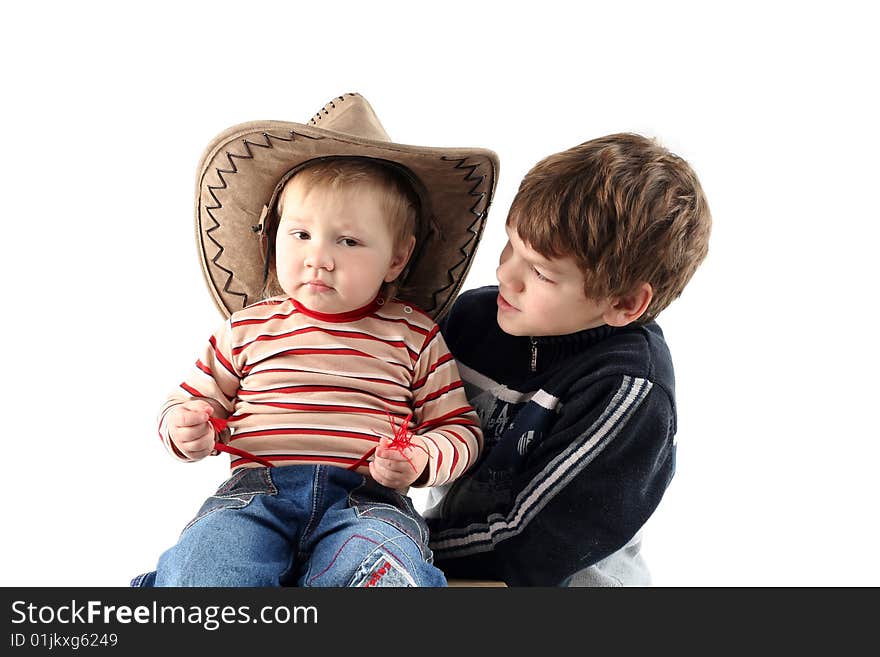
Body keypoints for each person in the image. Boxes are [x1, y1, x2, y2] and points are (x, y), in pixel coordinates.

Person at [132, 93, 498, 587]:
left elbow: (460, 429)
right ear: (273, 235)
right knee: (209, 566)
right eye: (301, 234)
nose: (318, 258)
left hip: (367, 502)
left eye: (347, 241)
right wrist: (185, 428)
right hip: (255, 495)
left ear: (397, 258)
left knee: (376, 571)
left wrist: (421, 458)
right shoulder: (246, 329)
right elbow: (189, 400)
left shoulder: (415, 336)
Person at [424, 133, 711, 586]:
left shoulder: (628, 388)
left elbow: (527, 541)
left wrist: (392, 543)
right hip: (453, 566)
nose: (506, 274)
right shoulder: (472, 318)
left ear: (624, 303)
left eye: (539, 272)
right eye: (510, 246)